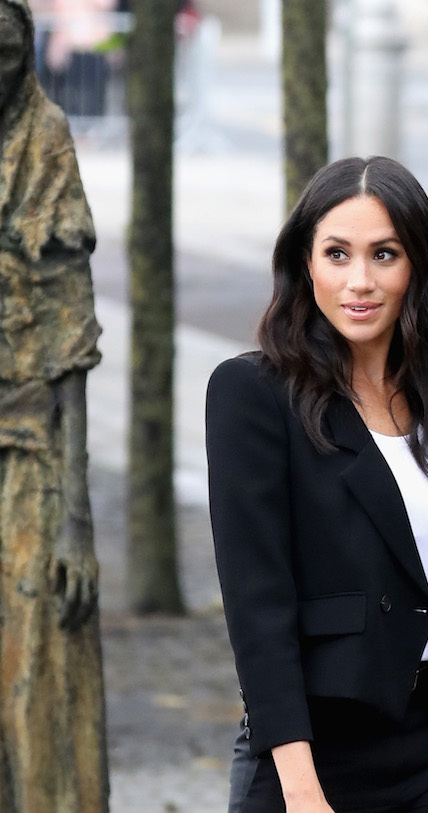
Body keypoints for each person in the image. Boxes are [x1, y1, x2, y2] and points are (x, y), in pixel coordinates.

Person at [206, 156, 428, 813]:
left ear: (417, 267)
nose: (360, 280)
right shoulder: (253, 395)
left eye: (385, 254)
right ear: (306, 262)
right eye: (338, 253)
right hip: (317, 742)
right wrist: (301, 787)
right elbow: (257, 606)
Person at [0, 1, 106, 810]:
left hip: (27, 453)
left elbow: (70, 340)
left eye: (8, 55)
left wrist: (78, 520)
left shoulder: (46, 140)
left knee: (36, 675)